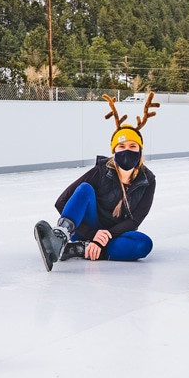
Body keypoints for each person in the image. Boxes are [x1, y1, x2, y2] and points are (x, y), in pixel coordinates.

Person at [33, 93, 160, 270]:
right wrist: (92, 233)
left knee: (143, 244)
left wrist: (103, 238)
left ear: (140, 151)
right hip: (88, 227)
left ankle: (79, 249)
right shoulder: (101, 171)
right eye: (121, 146)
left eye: (133, 146)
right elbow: (61, 202)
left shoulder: (148, 181)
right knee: (85, 189)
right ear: (114, 151)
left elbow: (134, 221)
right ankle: (60, 238)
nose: (127, 151)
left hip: (115, 234)